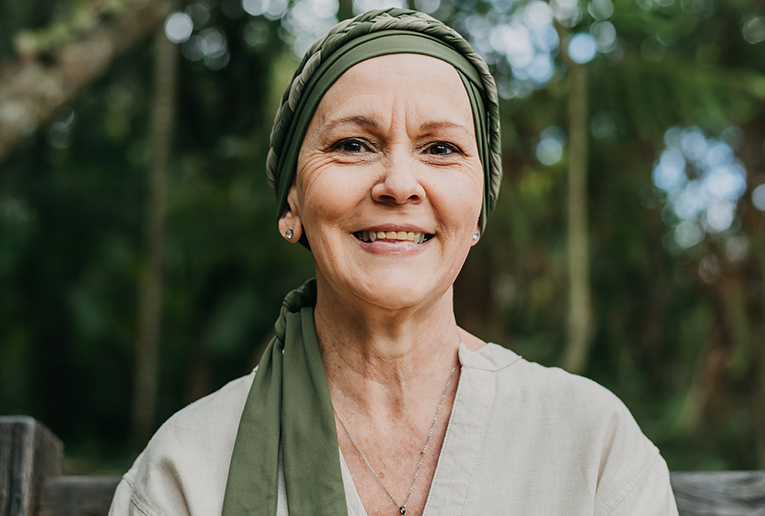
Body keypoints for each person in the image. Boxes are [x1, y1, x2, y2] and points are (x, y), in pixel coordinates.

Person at [109, 8, 675, 516]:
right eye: (353, 144)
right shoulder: (184, 470)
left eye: (441, 148)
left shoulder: (591, 444)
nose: (400, 184)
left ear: (478, 209)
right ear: (293, 203)